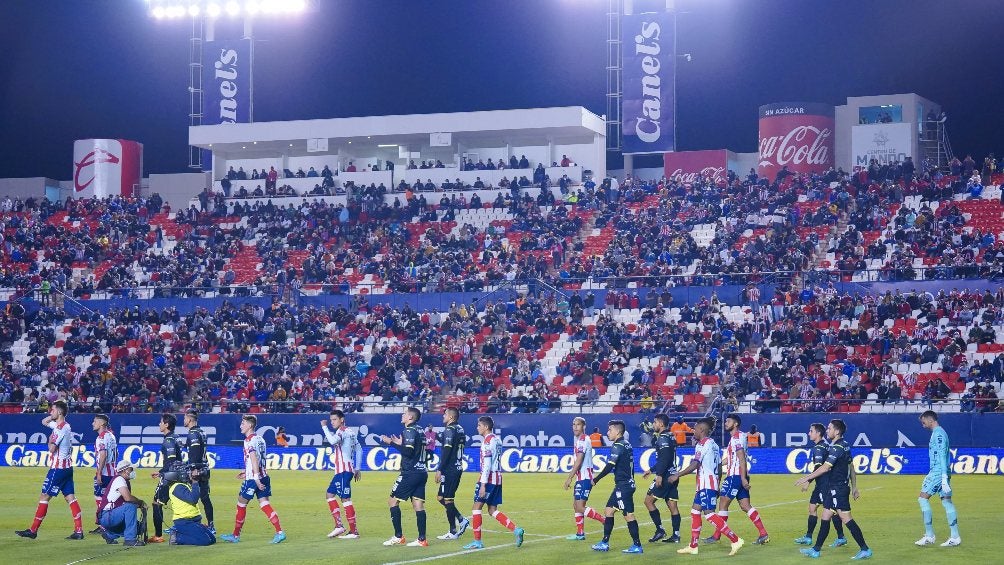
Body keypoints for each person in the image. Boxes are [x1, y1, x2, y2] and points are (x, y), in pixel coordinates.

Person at [794, 419, 872, 560]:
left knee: (846, 518)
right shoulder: (844, 445)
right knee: (825, 517)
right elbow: (851, 467)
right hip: (834, 488)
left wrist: (807, 478)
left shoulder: (837, 448)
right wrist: (854, 487)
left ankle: (865, 549)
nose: (827, 430)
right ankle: (816, 550)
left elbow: (825, 467)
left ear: (837, 431)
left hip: (838, 489)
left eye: (829, 428)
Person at [669, 417, 744, 556]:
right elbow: (720, 466)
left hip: (706, 483)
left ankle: (735, 539)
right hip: (710, 483)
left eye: (696, 429)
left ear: (702, 430)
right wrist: (717, 484)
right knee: (695, 511)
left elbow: (695, 464)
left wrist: (677, 475)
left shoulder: (702, 444)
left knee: (709, 514)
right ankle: (693, 546)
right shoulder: (714, 445)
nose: (693, 432)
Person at [16, 400, 86, 540]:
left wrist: (49, 439)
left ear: (59, 412)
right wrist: (54, 415)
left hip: (57, 469)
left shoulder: (60, 429)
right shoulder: (65, 425)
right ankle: (79, 531)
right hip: (67, 468)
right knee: (70, 498)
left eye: (53, 410)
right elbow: (44, 421)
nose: (50, 412)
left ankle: (33, 530)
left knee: (44, 496)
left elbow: (52, 448)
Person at [220, 415, 286, 544]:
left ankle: (235, 535)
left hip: (254, 479)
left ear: (249, 425)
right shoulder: (260, 439)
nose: (241, 426)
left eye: (243, 423)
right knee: (265, 504)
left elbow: (254, 458)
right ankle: (280, 532)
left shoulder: (249, 441)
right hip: (264, 476)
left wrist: (254, 478)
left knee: (241, 504)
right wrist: (247, 471)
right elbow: (259, 460)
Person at [462, 416, 525, 550]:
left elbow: (487, 464)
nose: (477, 428)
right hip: (498, 477)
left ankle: (477, 542)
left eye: (479, 425)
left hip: (488, 478)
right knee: (492, 510)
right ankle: (516, 529)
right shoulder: (497, 439)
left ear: (486, 427)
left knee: (476, 508)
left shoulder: (486, 442)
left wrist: (483, 484)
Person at [705, 414, 769, 544]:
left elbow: (741, 458)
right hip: (739, 476)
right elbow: (732, 458)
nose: (725, 423)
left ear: (735, 424)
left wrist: (743, 478)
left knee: (723, 504)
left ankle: (717, 535)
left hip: (735, 476)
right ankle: (763, 534)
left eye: (728, 421)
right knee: (745, 506)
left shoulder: (736, 437)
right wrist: (717, 464)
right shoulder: (739, 437)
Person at [589, 419, 643, 554]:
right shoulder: (627, 444)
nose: (607, 433)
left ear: (617, 431)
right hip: (625, 484)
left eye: (610, 430)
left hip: (623, 486)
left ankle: (637, 545)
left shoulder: (617, 445)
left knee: (628, 514)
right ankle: (604, 542)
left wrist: (596, 479)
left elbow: (610, 466)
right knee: (608, 511)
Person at [380, 407, 431, 547]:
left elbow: (408, 452)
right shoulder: (420, 430)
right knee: (418, 505)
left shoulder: (408, 430)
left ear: (410, 418)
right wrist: (399, 443)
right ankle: (422, 539)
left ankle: (398, 536)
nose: (402, 415)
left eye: (405, 414)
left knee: (392, 502)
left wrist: (390, 443)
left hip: (410, 472)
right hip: (422, 472)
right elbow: (414, 449)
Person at [794, 423, 847, 546]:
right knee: (812, 508)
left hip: (825, 484)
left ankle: (841, 537)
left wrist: (807, 481)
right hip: (821, 484)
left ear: (818, 433)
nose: (809, 433)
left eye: (811, 431)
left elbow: (819, 467)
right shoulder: (826, 445)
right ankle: (808, 537)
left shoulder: (818, 448)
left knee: (832, 510)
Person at [915, 410, 961, 547]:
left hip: (938, 471)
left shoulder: (939, 434)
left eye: (923, 422)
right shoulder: (938, 432)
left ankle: (929, 535)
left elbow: (941, 454)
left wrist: (943, 477)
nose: (923, 425)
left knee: (922, 499)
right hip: (942, 471)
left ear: (930, 420)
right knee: (947, 501)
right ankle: (955, 536)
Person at [321, 409, 362, 539]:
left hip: (344, 470)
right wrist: (358, 467)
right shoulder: (350, 432)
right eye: (331, 419)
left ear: (342, 419)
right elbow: (359, 449)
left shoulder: (342, 432)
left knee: (345, 499)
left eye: (334, 419)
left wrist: (324, 427)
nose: (332, 422)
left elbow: (333, 441)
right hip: (342, 470)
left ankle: (353, 531)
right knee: (329, 494)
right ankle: (339, 526)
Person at [562, 417, 605, 540]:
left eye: (578, 425)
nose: (575, 427)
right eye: (573, 424)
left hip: (585, 477)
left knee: (580, 506)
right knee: (576, 505)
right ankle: (580, 533)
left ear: (584, 426)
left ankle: (604, 520)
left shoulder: (583, 439)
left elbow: (579, 461)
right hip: (581, 477)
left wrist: (569, 477)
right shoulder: (578, 439)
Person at [642, 413, 681, 544]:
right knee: (672, 505)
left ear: (661, 424)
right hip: (673, 475)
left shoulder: (662, 438)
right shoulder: (670, 436)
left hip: (665, 477)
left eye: (655, 422)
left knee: (648, 501)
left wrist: (658, 475)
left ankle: (660, 529)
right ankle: (676, 535)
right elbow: (668, 458)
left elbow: (664, 459)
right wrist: (651, 470)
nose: (653, 425)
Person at [435, 407, 470, 540]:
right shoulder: (460, 429)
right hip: (456, 466)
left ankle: (453, 531)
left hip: (450, 469)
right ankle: (461, 519)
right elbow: (452, 444)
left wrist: (440, 469)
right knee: (440, 498)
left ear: (451, 417)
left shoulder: (449, 429)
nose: (443, 416)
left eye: (445, 414)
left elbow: (447, 451)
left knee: (448, 499)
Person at [162, 463, 216, 546]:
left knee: (212, 539)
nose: (188, 473)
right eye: (185, 471)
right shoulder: (177, 487)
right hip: (184, 522)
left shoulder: (183, 485)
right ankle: (177, 537)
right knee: (205, 541)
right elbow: (193, 499)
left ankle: (181, 534)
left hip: (193, 520)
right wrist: (195, 482)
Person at [149, 413, 183, 543]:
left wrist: (162, 473)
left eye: (161, 422)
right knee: (179, 502)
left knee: (156, 503)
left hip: (170, 475)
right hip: (179, 474)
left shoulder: (168, 440)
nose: (159, 424)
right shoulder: (176, 437)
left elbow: (171, 460)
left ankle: (158, 535)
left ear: (166, 425)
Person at [97, 460, 146, 546]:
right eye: (131, 470)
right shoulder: (119, 479)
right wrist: (140, 503)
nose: (133, 472)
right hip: (107, 516)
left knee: (137, 527)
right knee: (130, 507)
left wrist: (139, 504)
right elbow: (128, 498)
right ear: (124, 470)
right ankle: (130, 540)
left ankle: (110, 535)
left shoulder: (122, 480)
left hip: (107, 515)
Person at [184, 409, 214, 534]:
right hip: (205, 468)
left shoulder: (193, 434)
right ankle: (211, 525)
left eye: (185, 418)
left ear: (190, 419)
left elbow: (195, 454)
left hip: (197, 470)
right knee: (205, 498)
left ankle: (189, 525)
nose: (184, 420)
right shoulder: (202, 432)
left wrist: (193, 469)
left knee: (190, 498)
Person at [91, 413, 118, 533]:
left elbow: (103, 455)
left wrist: (99, 473)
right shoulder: (111, 436)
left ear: (102, 423)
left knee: (100, 498)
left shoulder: (101, 437)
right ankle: (109, 524)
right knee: (110, 499)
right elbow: (116, 454)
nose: (93, 423)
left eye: (95, 421)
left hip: (105, 473)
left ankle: (104, 525)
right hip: (113, 473)